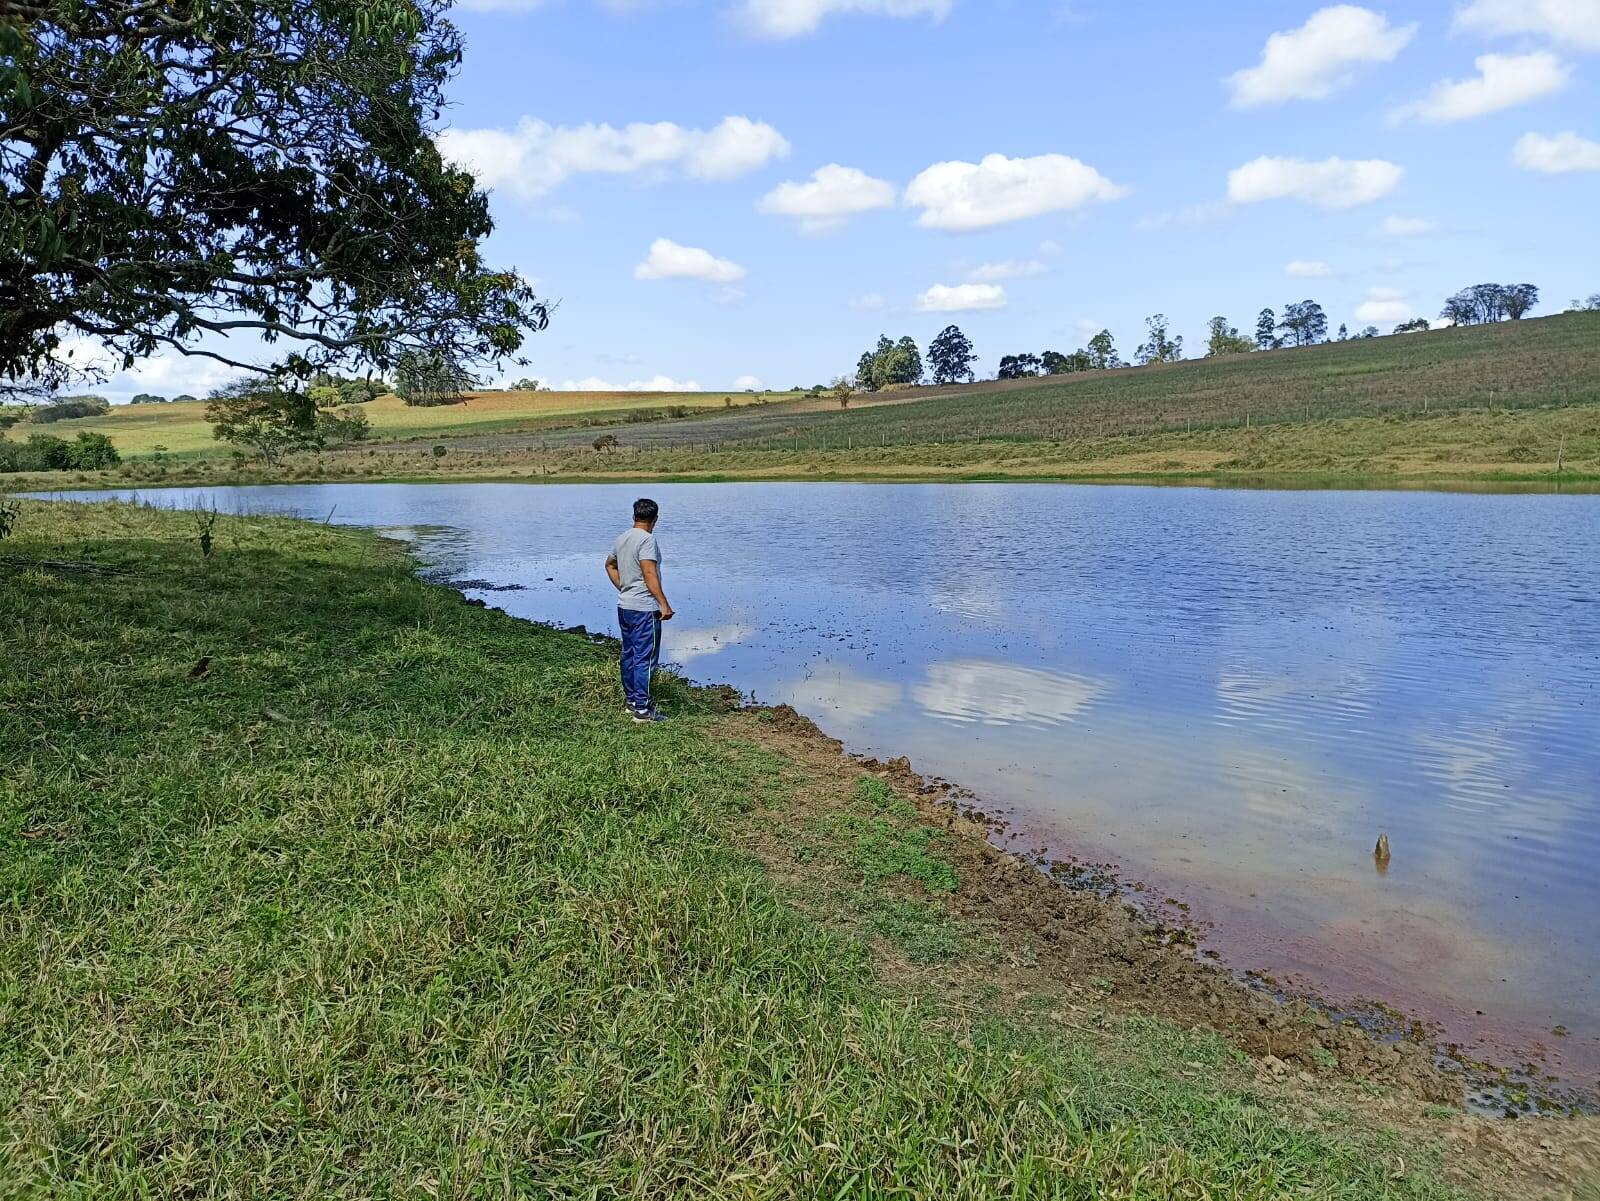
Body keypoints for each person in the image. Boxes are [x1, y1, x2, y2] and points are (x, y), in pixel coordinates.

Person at [605, 497, 674, 722]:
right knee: (645, 657)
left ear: (634, 516)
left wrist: (624, 587)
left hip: (625, 606)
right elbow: (649, 572)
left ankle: (632, 701)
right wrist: (663, 603)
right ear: (655, 519)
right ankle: (642, 711)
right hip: (644, 608)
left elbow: (609, 565)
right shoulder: (647, 540)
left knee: (629, 653)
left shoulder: (622, 537)